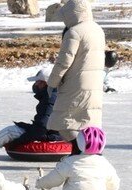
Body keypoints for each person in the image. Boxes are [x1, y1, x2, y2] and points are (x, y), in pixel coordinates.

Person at [47, 0, 105, 140]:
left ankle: (79, 151)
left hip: (75, 84)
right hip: (94, 84)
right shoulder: (97, 29)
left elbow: (63, 62)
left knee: (64, 122)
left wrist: (52, 83)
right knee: (86, 121)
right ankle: (87, 152)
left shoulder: (74, 32)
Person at [36, 125, 120, 190]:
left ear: (78, 141)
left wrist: (40, 183)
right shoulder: (105, 163)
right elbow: (114, 184)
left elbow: (53, 180)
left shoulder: (69, 161)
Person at [0, 66, 57, 150]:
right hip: (49, 132)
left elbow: (40, 130)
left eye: (38, 82)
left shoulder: (49, 99)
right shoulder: (53, 95)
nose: (35, 84)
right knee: (15, 128)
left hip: (50, 135)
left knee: (10, 131)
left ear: (45, 83)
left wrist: (15, 143)